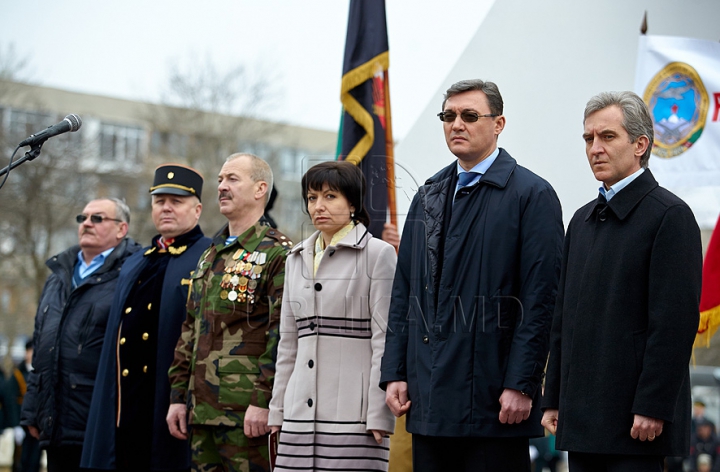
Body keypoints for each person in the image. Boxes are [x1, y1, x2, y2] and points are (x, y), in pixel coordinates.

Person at [379, 79, 564, 472]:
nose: (456, 124)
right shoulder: (427, 196)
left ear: (498, 123)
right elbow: (405, 293)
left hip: (495, 405)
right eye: (448, 116)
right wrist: (395, 372)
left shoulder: (532, 195)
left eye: (469, 116)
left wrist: (522, 383)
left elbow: (541, 301)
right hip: (429, 401)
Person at [541, 91, 702, 472]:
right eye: (588, 138)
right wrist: (554, 397)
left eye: (607, 137)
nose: (594, 148)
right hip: (581, 420)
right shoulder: (580, 221)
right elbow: (565, 320)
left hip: (636, 426)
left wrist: (652, 405)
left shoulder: (671, 216)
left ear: (640, 144)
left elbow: (674, 326)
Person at [81, 165, 212, 471]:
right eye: (159, 200)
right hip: (126, 404)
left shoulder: (209, 257)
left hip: (170, 404)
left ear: (197, 209)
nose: (166, 207)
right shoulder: (136, 261)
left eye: (176, 201)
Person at [268, 161, 397, 471]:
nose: (318, 206)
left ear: (352, 202)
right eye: (312, 198)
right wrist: (277, 410)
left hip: (354, 417)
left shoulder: (378, 254)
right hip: (298, 416)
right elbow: (288, 344)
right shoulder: (295, 258)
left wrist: (380, 413)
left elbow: (385, 340)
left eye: (329, 196)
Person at [167, 153, 290, 472]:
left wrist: (263, 403)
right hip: (201, 410)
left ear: (260, 188)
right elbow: (190, 330)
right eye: (220, 180)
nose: (222, 186)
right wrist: (178, 396)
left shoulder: (277, 253)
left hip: (246, 414)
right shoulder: (210, 254)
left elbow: (282, 336)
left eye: (232, 179)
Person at [20, 198, 140, 472]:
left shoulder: (132, 273)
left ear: (122, 229)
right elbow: (41, 346)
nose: (86, 223)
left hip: (100, 423)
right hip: (56, 423)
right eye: (83, 218)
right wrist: (32, 409)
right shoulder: (58, 275)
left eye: (97, 218)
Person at [4, 340, 41, 472]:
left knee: (35, 459)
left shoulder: (40, 372)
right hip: (22, 424)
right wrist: (15, 425)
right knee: (21, 459)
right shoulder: (17, 375)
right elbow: (10, 401)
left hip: (37, 422)